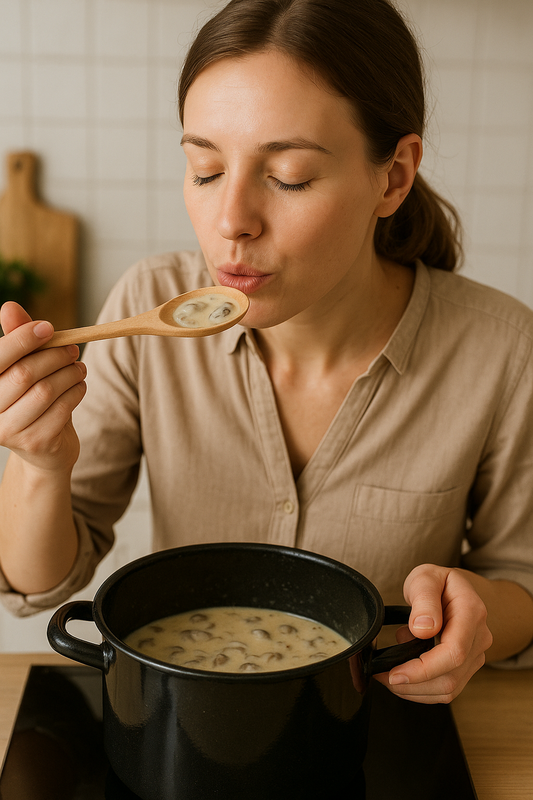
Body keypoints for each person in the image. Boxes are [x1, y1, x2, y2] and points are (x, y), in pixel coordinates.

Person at [1, 0, 532, 705]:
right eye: (204, 170)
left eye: (288, 177)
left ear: (393, 176)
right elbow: (40, 587)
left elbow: (521, 585)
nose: (230, 223)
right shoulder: (148, 307)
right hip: (188, 721)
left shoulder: (500, 348)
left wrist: (475, 609)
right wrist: (39, 464)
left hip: (379, 715)